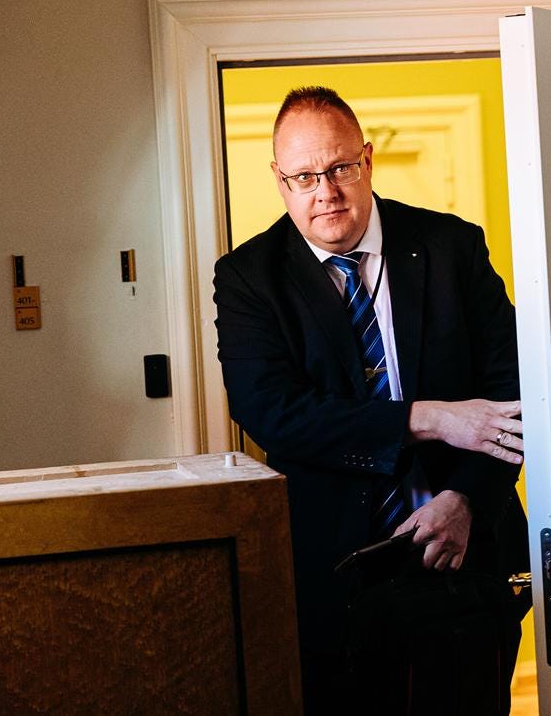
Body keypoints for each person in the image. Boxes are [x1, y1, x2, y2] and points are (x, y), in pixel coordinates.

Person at [212, 86, 529, 713]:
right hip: (333, 575)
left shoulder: (451, 246)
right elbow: (272, 413)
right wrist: (428, 419)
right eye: (304, 177)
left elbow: (514, 391)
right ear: (279, 180)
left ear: (368, 159)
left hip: (467, 561)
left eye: (340, 168)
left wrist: (465, 498)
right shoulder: (248, 277)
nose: (325, 192)